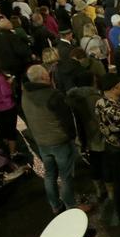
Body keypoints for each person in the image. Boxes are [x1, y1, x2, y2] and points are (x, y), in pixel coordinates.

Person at [21, 64, 78, 214]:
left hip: (41, 141)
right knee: (66, 176)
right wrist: (73, 136)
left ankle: (55, 205)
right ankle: (71, 205)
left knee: (50, 174)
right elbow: (67, 120)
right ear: (45, 77)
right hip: (59, 141)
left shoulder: (25, 94)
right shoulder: (53, 95)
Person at [96, 73, 120, 223]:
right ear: (114, 88)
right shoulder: (114, 110)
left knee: (119, 183)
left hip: (109, 146)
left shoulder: (100, 102)